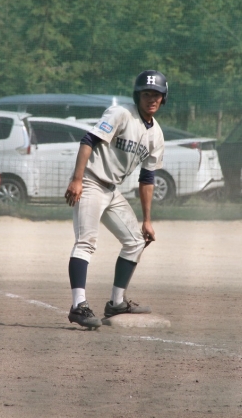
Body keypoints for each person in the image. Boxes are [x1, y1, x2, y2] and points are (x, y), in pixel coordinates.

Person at [64, 70, 167, 328]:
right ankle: (78, 306)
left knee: (136, 241)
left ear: (163, 98)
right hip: (91, 181)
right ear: (137, 95)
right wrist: (77, 179)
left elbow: (147, 178)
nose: (152, 99)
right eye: (147, 94)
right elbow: (88, 140)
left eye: (156, 95)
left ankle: (116, 303)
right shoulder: (121, 114)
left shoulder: (157, 135)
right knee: (86, 242)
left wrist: (147, 220)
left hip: (111, 190)